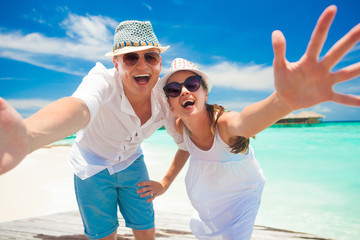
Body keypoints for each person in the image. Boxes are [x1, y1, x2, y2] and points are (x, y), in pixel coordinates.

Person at [136, 5, 360, 240]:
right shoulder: (181, 126)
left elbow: (245, 121)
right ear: (170, 103)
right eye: (173, 89)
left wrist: (282, 101)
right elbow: (184, 148)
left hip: (241, 200)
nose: (183, 91)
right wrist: (164, 183)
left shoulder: (223, 124)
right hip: (208, 206)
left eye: (191, 84)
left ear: (205, 93)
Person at [0, 21, 189, 240]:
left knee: (146, 228)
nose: (142, 66)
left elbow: (185, 143)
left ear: (159, 63)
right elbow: (79, 108)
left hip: (131, 162)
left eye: (150, 57)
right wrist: (29, 135)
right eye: (130, 57)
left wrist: (165, 183)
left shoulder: (166, 99)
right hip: (91, 166)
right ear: (116, 64)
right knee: (103, 235)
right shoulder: (102, 81)